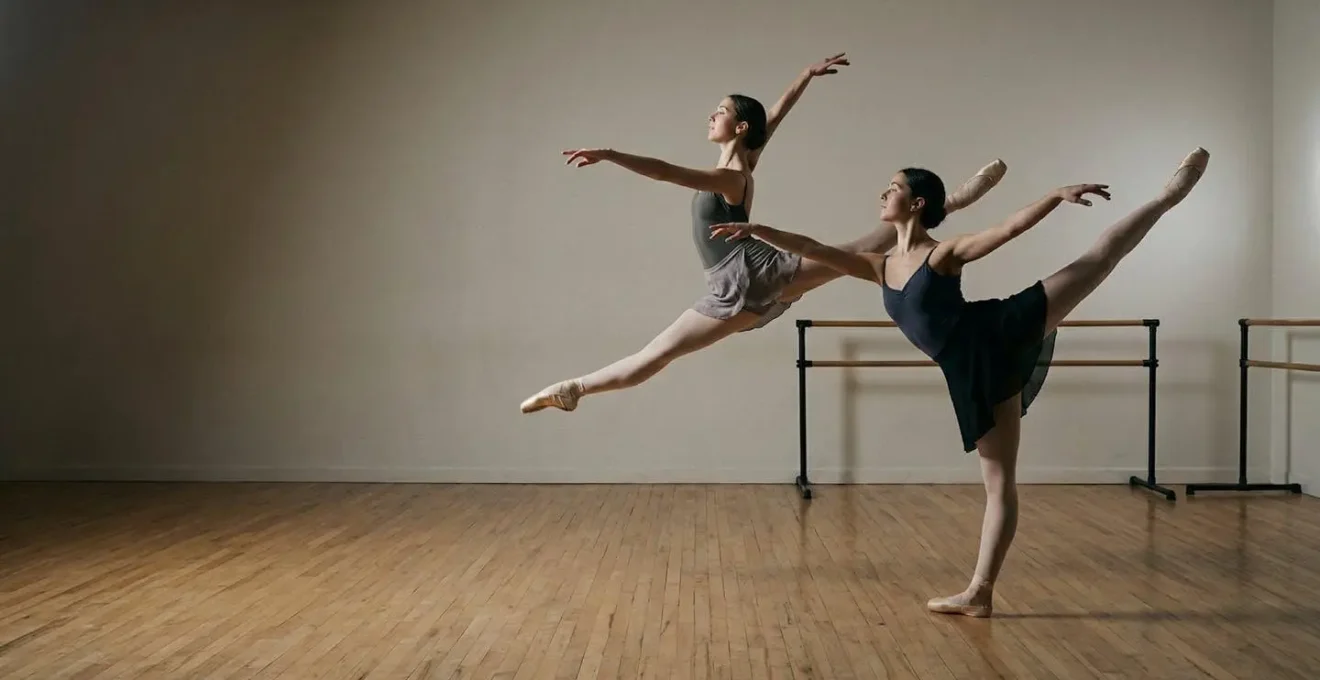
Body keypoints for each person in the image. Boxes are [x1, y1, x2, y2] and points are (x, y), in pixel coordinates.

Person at [709, 147, 1210, 617]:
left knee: (1096, 261)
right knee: (998, 484)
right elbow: (811, 248)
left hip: (999, 329)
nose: (884, 194)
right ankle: (981, 594)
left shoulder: (942, 254)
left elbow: (1007, 230)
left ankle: (1167, 197)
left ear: (917, 202)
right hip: (970, 372)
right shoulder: (877, 266)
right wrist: (758, 229)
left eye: (893, 187)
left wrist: (1055, 197)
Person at [519, 52, 1008, 414]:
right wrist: (805, 77)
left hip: (753, 272)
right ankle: (574, 389)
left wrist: (610, 154)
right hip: (736, 283)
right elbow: (774, 115)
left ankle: (950, 204)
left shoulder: (732, 178)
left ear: (738, 126)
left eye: (720, 110)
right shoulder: (744, 158)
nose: (712, 115)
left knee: (862, 251)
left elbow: (667, 170)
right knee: (660, 352)